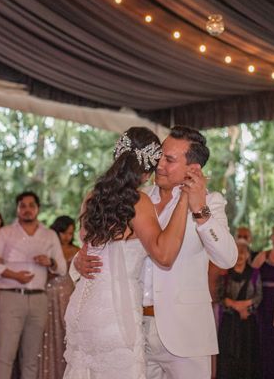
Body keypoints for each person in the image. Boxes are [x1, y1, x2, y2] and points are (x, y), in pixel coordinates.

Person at [73, 125, 238, 378]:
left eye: (169, 160)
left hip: (185, 333)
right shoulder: (135, 198)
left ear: (193, 168)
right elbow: (102, 249)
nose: (159, 165)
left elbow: (227, 258)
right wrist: (78, 260)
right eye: (159, 156)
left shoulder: (210, 202)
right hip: (132, 327)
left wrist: (200, 210)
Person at [64, 127, 190, 378]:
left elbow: (89, 251)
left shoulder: (92, 197)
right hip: (116, 314)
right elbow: (164, 255)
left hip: (82, 310)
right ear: (147, 171)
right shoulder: (138, 202)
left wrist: (77, 260)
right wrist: (185, 198)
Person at [0, 192, 66, 379]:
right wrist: (13, 275)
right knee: (5, 354)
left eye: (31, 205)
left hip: (39, 297)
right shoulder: (5, 233)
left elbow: (62, 268)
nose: (27, 209)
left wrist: (50, 261)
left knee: (31, 356)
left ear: (38, 209)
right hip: (10, 296)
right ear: (17, 209)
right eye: (23, 205)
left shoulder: (49, 234)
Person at [35, 215, 79, 379]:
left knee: (65, 334)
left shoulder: (76, 250)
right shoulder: (47, 249)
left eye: (70, 233)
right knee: (47, 335)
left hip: (68, 295)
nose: (67, 237)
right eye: (64, 233)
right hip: (48, 295)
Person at [216, 240, 262, 379]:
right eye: (237, 249)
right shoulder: (225, 274)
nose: (241, 254)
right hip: (229, 323)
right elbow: (220, 296)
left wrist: (246, 306)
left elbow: (259, 296)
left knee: (247, 357)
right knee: (228, 358)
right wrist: (235, 305)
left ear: (248, 254)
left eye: (244, 250)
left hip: (247, 322)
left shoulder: (254, 274)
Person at [251, 225, 274, 379]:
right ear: (271, 237)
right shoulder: (262, 256)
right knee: (266, 340)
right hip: (265, 304)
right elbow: (251, 279)